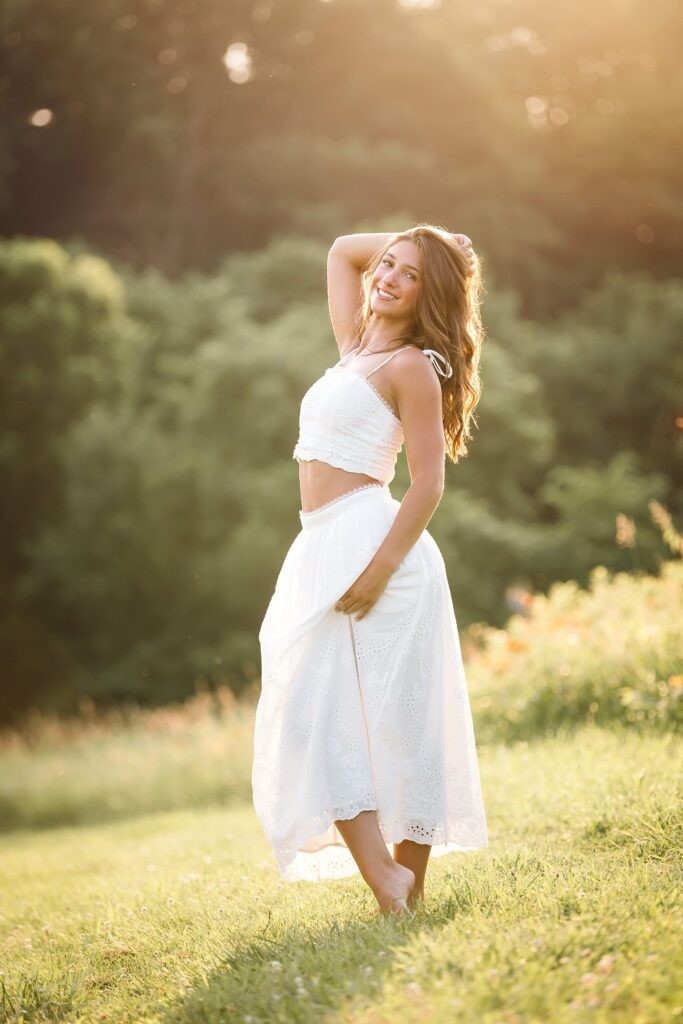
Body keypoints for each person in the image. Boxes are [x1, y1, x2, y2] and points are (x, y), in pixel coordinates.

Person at [252, 224, 489, 916]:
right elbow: (338, 250)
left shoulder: (410, 366)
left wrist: (379, 569)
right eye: (387, 265)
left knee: (402, 719)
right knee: (306, 708)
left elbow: (427, 484)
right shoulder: (355, 346)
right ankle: (389, 883)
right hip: (321, 544)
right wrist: (429, 240)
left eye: (409, 274)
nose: (384, 276)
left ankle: (400, 892)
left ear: (429, 293)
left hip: (379, 547)